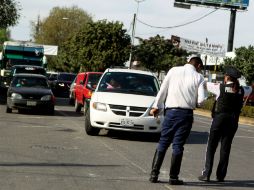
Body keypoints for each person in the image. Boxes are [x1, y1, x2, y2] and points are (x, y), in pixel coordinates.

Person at [149, 54, 206, 185]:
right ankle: (173, 177)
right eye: (200, 68)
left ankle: (154, 174)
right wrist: (197, 103)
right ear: (198, 65)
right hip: (185, 114)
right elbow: (201, 100)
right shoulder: (199, 77)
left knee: (163, 142)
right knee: (178, 145)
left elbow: (162, 90)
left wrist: (156, 106)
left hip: (170, 112)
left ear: (188, 61)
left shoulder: (173, 70)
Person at [198, 66, 252, 182]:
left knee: (211, 147)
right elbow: (250, 89)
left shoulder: (219, 87)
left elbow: (204, 84)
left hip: (219, 120)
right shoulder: (242, 90)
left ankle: (206, 174)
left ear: (227, 77)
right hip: (233, 121)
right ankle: (221, 176)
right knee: (225, 149)